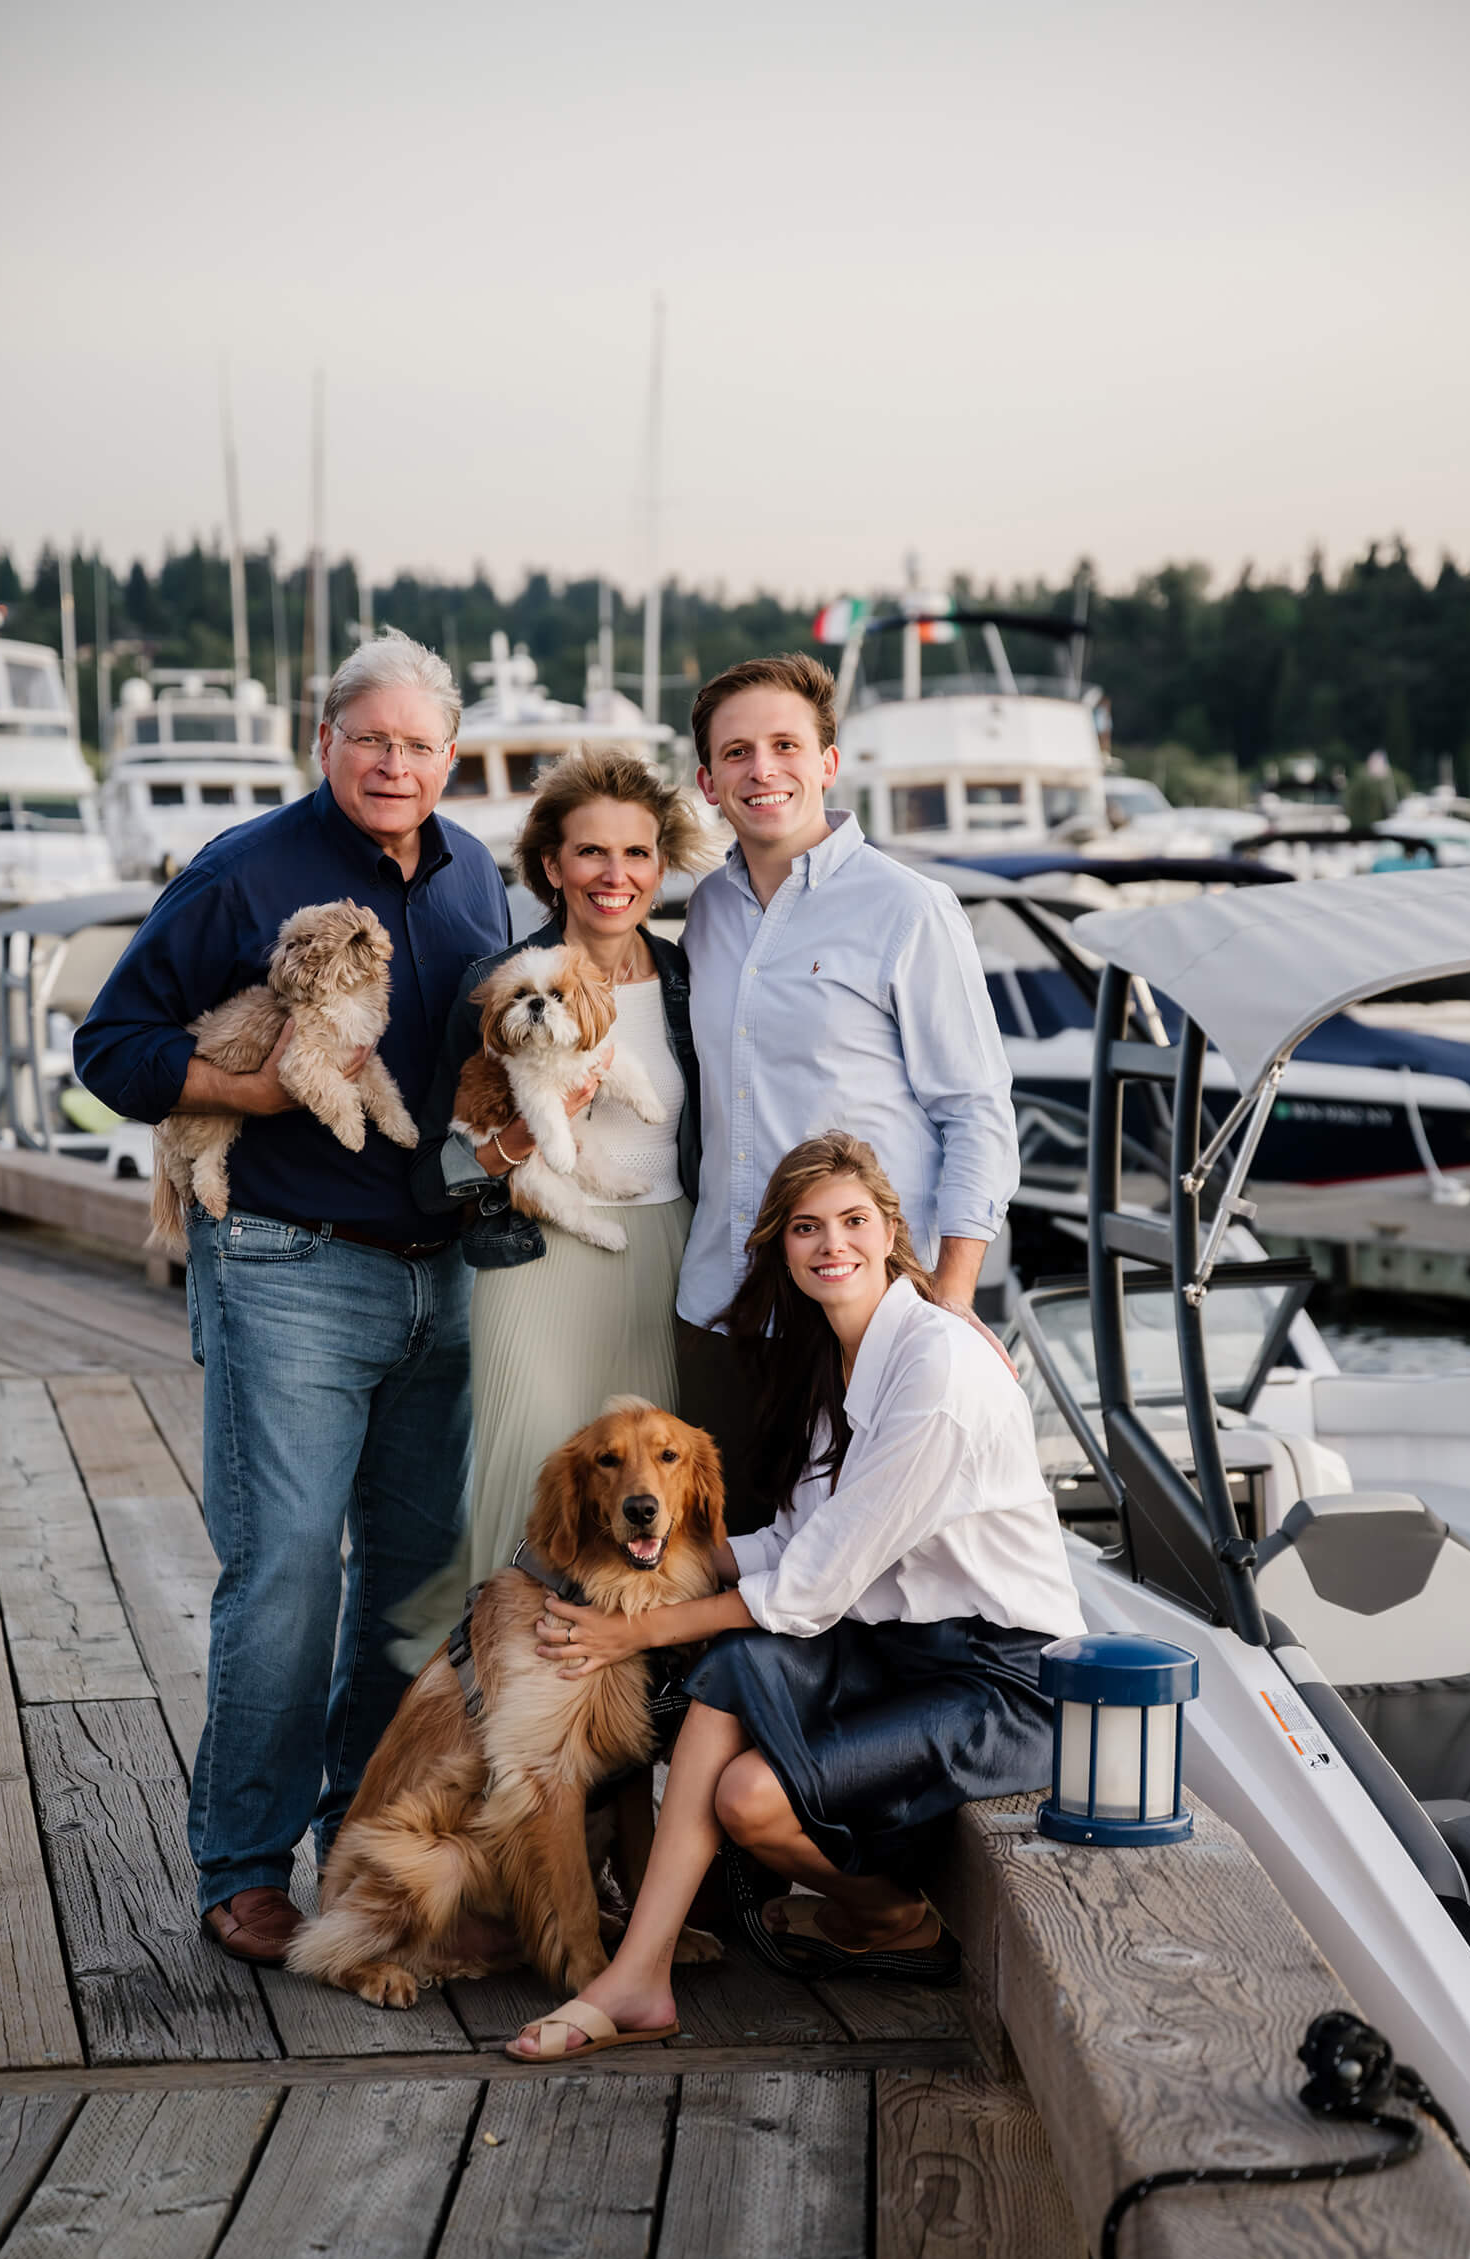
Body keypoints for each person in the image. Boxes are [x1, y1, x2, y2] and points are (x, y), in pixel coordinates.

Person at [73, 630, 510, 1966]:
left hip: (446, 1279)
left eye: (416, 744)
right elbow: (114, 1046)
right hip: (288, 1270)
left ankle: (362, 1839)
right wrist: (257, 1095)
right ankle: (243, 1864)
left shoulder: (476, 872)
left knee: (410, 1589)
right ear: (324, 743)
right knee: (282, 1587)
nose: (391, 762)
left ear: (448, 756)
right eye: (367, 737)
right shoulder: (244, 872)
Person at [502, 1132, 1085, 2060]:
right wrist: (653, 1555)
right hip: (888, 1648)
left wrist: (633, 1632)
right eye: (806, 1228)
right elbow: (796, 1540)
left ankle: (891, 1918)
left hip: (993, 1681)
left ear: (892, 1232)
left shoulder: (936, 1371)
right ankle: (640, 1978)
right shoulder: (838, 1357)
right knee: (736, 1669)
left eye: (853, 1222)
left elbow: (810, 1587)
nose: (831, 1245)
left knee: (751, 1799)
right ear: (782, 1246)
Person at [675, 651, 1021, 1524]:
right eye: (737, 753)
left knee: (860, 1580)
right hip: (721, 1311)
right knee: (733, 1551)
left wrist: (945, 1302)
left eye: (786, 745)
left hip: (862, 1312)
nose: (763, 770)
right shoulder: (705, 913)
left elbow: (975, 1112)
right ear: (708, 781)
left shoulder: (907, 908)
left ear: (827, 764)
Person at [409, 746, 712, 1585]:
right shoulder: (496, 984)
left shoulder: (695, 977)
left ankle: (635, 1710)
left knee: (651, 1518)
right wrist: (517, 1144)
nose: (614, 874)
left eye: (636, 852)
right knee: (528, 1501)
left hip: (670, 1259)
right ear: (551, 865)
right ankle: (505, 1706)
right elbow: (430, 1179)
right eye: (590, 851)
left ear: (659, 866)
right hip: (533, 1263)